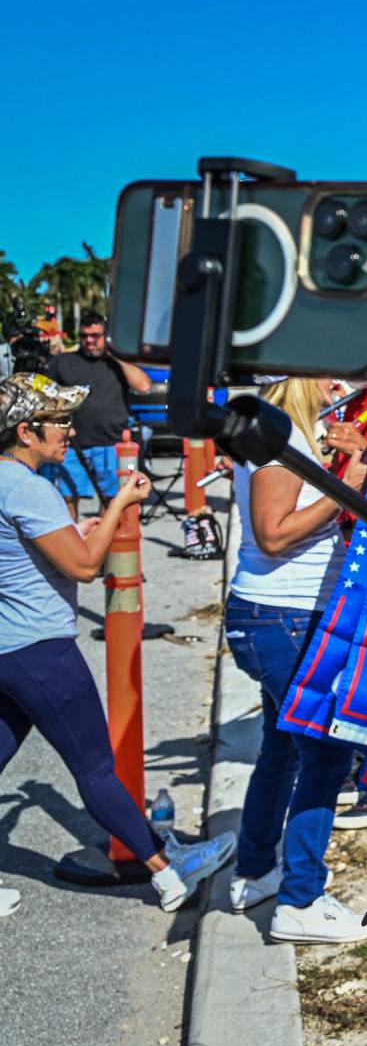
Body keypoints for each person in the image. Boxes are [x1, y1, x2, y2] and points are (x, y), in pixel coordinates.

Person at [0, 373, 236, 910]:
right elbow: (84, 567)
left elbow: (40, 549)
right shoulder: (27, 488)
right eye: (58, 421)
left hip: (8, 650)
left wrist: (84, 526)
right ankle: (169, 871)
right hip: (41, 650)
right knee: (95, 770)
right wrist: (120, 504)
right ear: (25, 431)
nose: (69, 430)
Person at [222, 375, 367, 942]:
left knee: (281, 749)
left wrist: (344, 458)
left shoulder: (290, 433)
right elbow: (272, 533)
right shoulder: (280, 437)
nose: (342, 383)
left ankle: (255, 869)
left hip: (277, 617)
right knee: (327, 757)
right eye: (329, 373)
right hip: (282, 618)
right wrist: (344, 484)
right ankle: (300, 899)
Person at [35, 310, 152, 516]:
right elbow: (44, 397)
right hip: (70, 443)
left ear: (105, 337)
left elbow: (143, 386)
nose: (89, 341)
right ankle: (74, 542)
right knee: (68, 496)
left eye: (95, 336)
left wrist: (115, 355)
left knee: (112, 498)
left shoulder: (116, 363)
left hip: (110, 442)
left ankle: (101, 539)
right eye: (84, 336)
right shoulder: (62, 362)